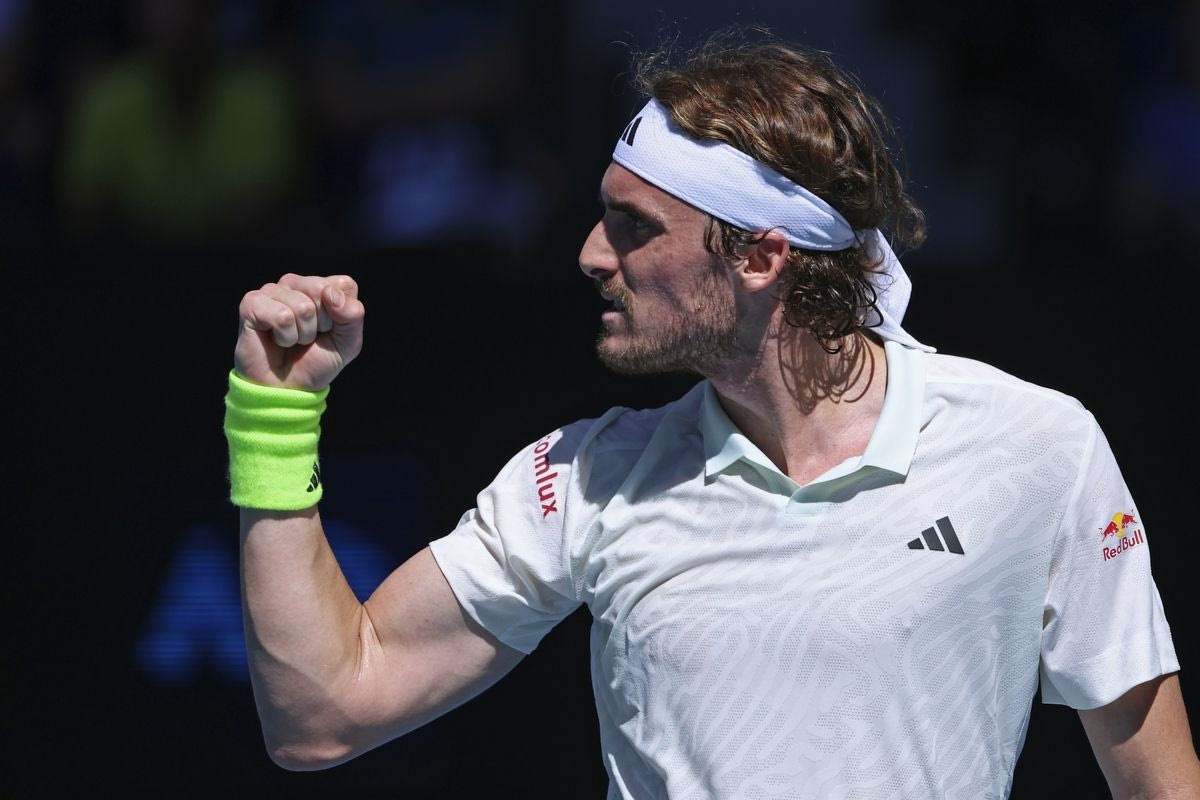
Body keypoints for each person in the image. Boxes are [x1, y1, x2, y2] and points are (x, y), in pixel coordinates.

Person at [225, 38, 1200, 799]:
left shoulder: (1039, 447)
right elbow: (323, 711)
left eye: (635, 226)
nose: (590, 254)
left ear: (762, 257)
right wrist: (273, 414)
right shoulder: (583, 477)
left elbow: (1161, 784)